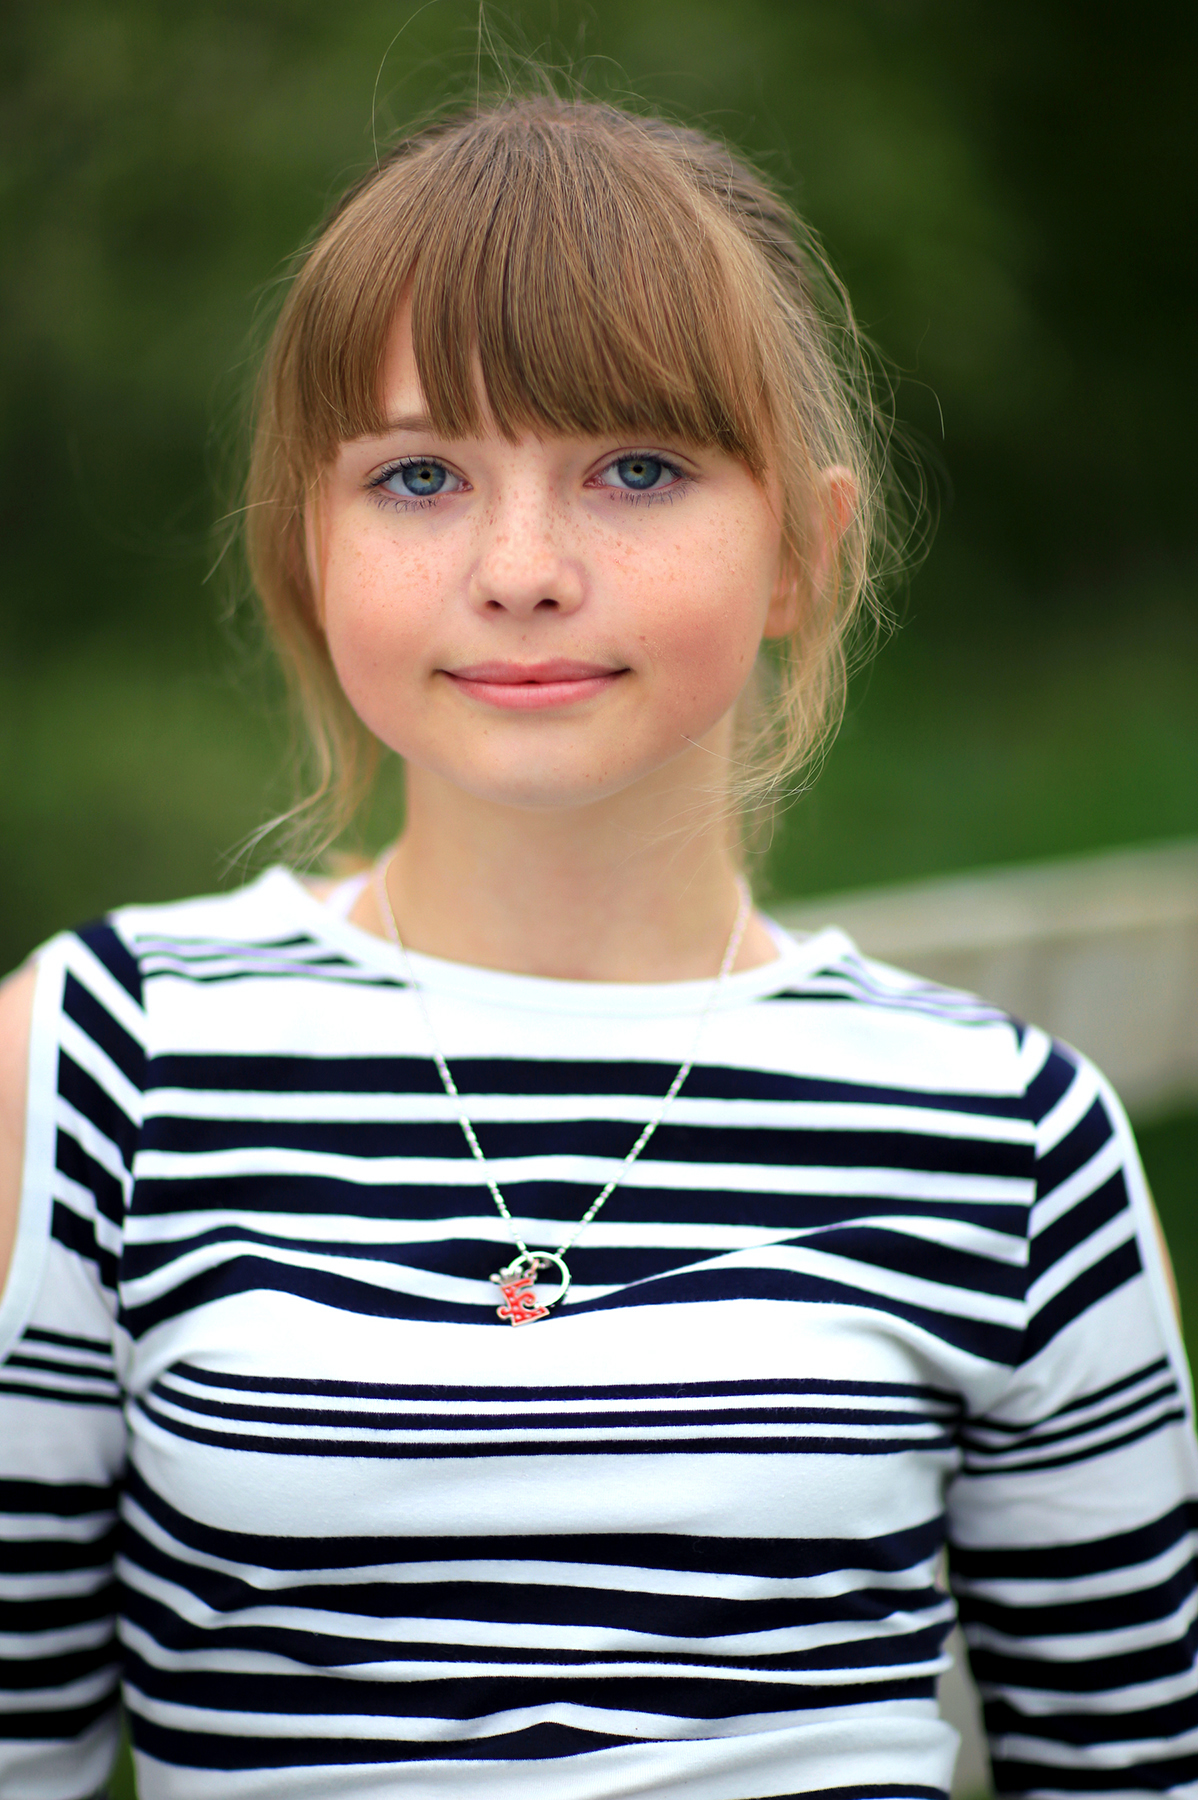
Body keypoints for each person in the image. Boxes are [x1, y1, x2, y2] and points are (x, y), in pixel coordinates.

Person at [0, 93, 1195, 1800]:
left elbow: (1135, 1766)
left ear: (801, 548)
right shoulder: (96, 1059)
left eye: (635, 467)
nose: (521, 568)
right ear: (306, 547)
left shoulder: (1008, 1139)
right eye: (417, 476)